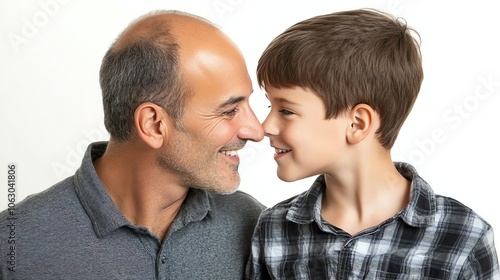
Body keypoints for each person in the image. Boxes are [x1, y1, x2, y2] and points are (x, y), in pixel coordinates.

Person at [0, 10, 266, 279]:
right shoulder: (14, 247)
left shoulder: (257, 227)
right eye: (230, 110)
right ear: (153, 125)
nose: (256, 131)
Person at [245, 8, 499, 279]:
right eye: (270, 106)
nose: (264, 127)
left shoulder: (464, 237)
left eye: (286, 111)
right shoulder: (272, 229)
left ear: (357, 123)